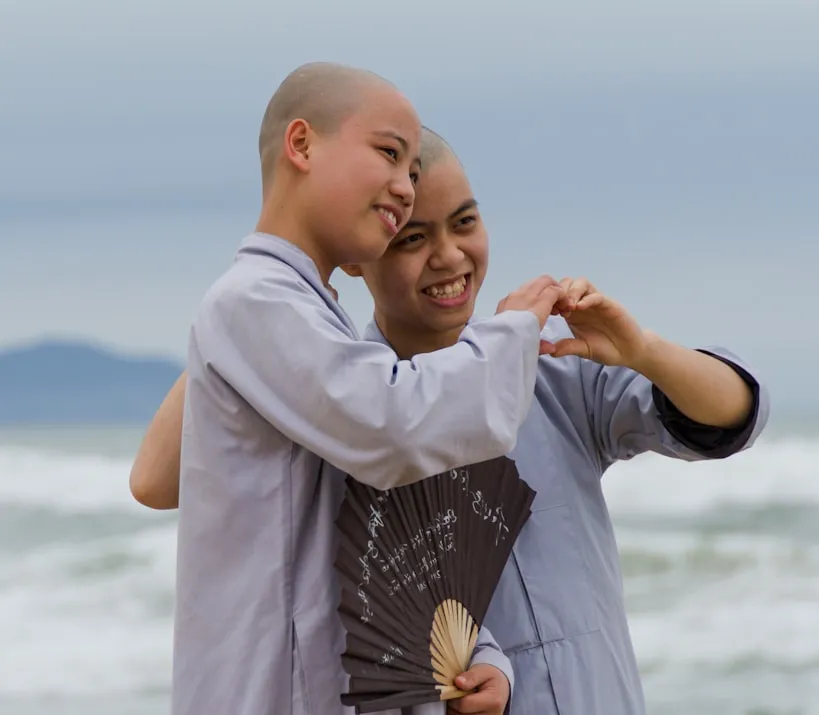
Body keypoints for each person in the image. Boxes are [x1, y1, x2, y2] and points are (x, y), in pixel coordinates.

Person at [133, 127, 769, 714]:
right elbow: (158, 480)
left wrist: (644, 351)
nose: (448, 256)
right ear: (357, 254)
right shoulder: (339, 414)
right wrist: (281, 278)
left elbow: (733, 412)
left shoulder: (550, 369)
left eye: (465, 222)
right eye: (412, 238)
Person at [171, 62, 570, 715]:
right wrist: (514, 328)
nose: (404, 187)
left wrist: (482, 655)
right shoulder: (252, 302)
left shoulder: (314, 322)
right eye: (389, 153)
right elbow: (396, 423)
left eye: (413, 167)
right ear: (301, 145)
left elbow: (376, 542)